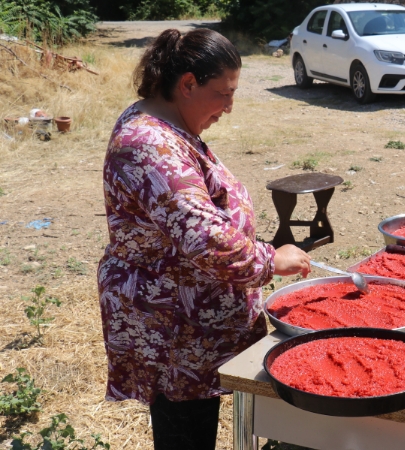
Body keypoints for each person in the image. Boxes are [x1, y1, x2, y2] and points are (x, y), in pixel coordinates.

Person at [97, 28, 311, 450]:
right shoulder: (147, 145)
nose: (229, 107)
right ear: (188, 84)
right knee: (185, 434)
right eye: (223, 94)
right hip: (173, 327)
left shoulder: (169, 126)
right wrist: (270, 260)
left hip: (191, 322)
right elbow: (204, 238)